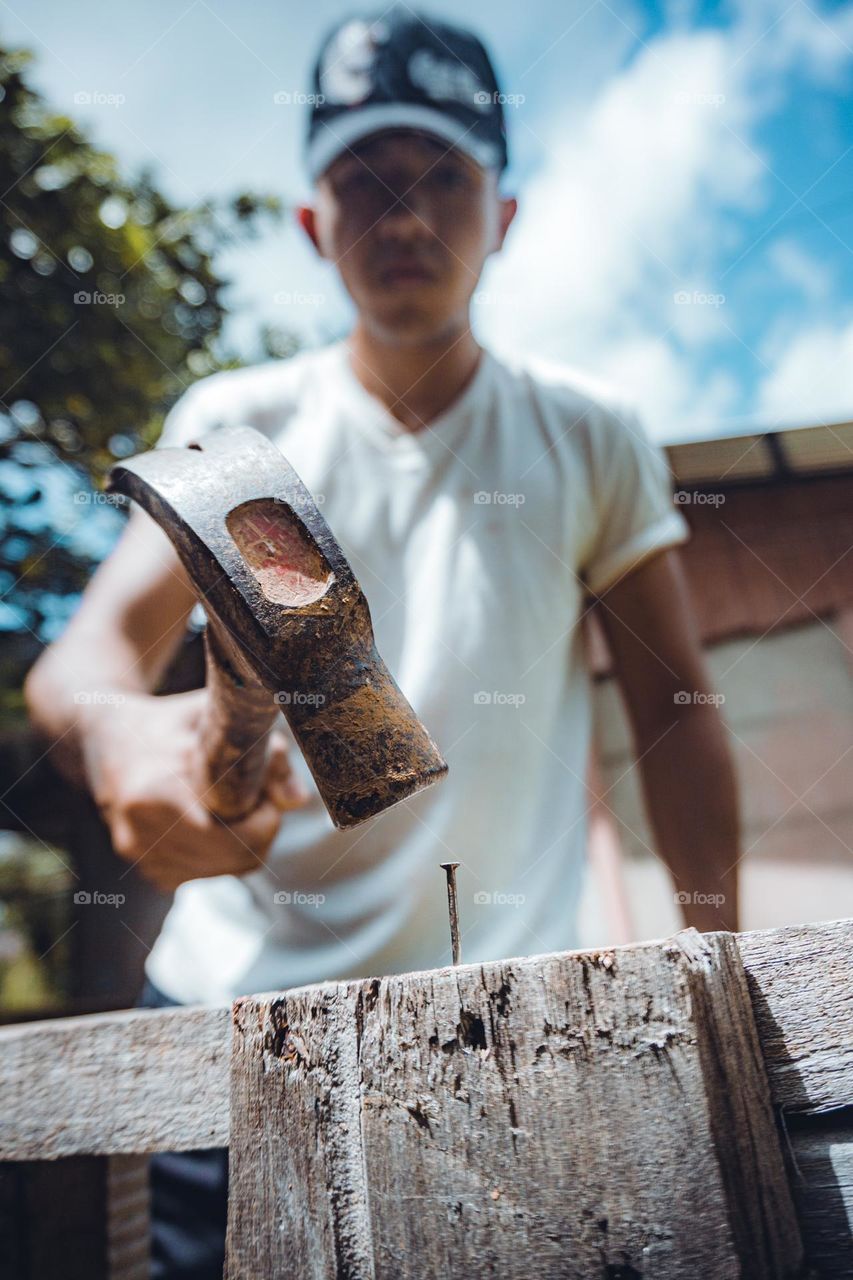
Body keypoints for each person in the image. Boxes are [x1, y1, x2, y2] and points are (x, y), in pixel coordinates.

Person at [24, 7, 740, 1276]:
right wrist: (118, 727)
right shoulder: (234, 422)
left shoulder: (589, 435)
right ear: (311, 223)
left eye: (443, 179)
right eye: (362, 182)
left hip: (501, 1024)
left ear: (503, 213)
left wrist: (715, 959)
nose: (402, 216)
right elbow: (78, 667)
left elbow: (676, 714)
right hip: (222, 1024)